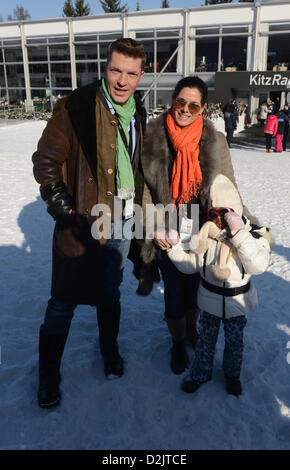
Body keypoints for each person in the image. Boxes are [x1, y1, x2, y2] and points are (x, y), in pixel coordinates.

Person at [32, 38, 147, 408]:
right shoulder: (76, 106)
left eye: (131, 73)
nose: (122, 80)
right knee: (62, 301)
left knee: (110, 292)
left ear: (141, 76)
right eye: (116, 70)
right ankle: (48, 373)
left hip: (122, 222)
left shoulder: (137, 111)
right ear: (105, 68)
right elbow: (46, 162)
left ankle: (109, 350)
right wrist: (66, 213)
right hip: (82, 223)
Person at [140, 76, 260, 375]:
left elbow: (226, 185)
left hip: (204, 228)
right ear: (173, 101)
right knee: (174, 292)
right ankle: (178, 342)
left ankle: (191, 331)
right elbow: (144, 191)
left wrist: (243, 222)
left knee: (198, 288)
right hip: (168, 227)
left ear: (203, 108)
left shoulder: (215, 140)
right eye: (180, 102)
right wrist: (154, 225)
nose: (185, 109)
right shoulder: (153, 135)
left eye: (193, 105)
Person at [166, 174, 272, 396]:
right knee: (206, 340)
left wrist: (239, 235)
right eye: (213, 213)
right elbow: (188, 264)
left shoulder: (252, 237)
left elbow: (258, 265)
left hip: (237, 302)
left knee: (235, 342)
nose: (218, 219)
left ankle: (232, 375)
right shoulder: (206, 239)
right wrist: (173, 247)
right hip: (210, 302)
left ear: (235, 212)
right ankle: (200, 373)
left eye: (224, 213)